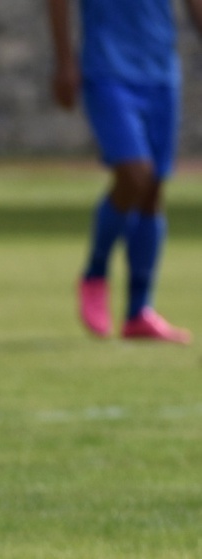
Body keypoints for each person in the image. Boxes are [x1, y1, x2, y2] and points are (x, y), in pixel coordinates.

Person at [47, 0, 202, 344]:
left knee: (153, 189)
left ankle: (139, 312)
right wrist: (64, 62)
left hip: (161, 71)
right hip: (109, 70)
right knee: (135, 173)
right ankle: (95, 273)